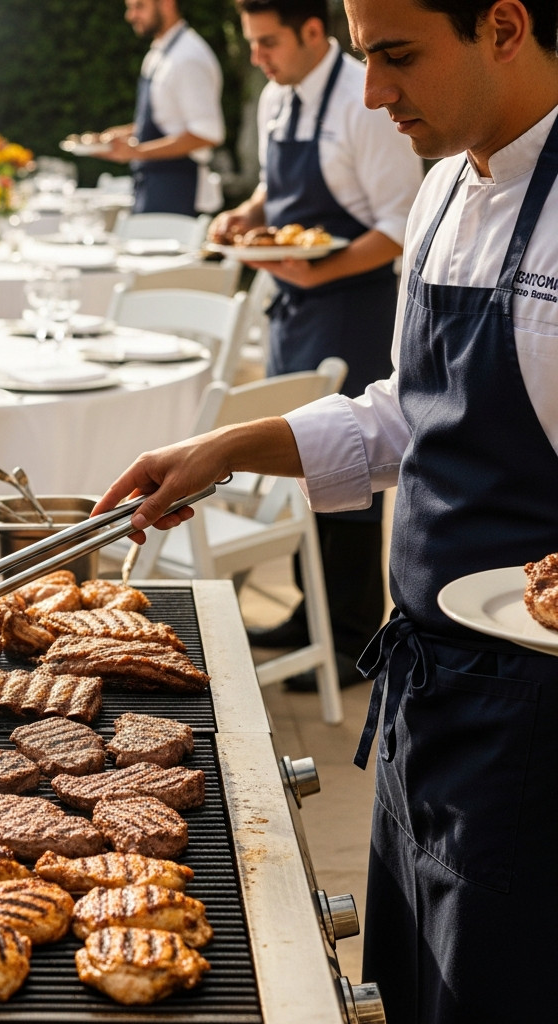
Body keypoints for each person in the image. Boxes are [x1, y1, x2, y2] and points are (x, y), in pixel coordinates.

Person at [95, 1, 558, 1020]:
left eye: (398, 56)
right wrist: (225, 448)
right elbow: (407, 415)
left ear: (504, 27)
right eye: (363, 58)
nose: (374, 92)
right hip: (424, 693)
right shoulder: (441, 190)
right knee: (409, 984)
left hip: (535, 732)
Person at [210, 0, 425, 690]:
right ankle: (310, 614)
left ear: (313, 31)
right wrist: (246, 214)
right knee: (300, 457)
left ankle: (352, 636)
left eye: (268, 42)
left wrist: (317, 271)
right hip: (294, 307)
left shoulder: (366, 104)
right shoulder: (277, 97)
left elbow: (398, 223)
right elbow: (277, 188)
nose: (258, 57)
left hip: (351, 307)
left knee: (353, 464)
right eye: (252, 43)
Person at [91, 0, 225, 216]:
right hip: (152, 186)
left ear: (167, 4)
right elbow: (166, 121)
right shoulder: (158, 54)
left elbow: (206, 133)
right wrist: (123, 135)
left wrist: (137, 152)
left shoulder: (188, 57)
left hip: (178, 191)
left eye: (139, 6)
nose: (130, 16)